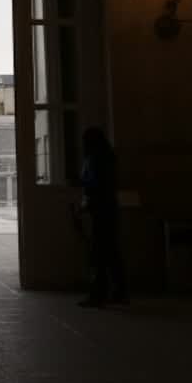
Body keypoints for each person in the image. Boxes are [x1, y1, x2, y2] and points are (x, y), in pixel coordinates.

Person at [75, 127, 128, 307]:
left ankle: (99, 293)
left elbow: (93, 184)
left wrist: (84, 196)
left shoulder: (94, 160)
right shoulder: (107, 158)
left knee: (98, 255)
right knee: (111, 253)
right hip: (108, 210)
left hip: (100, 211)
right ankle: (119, 291)